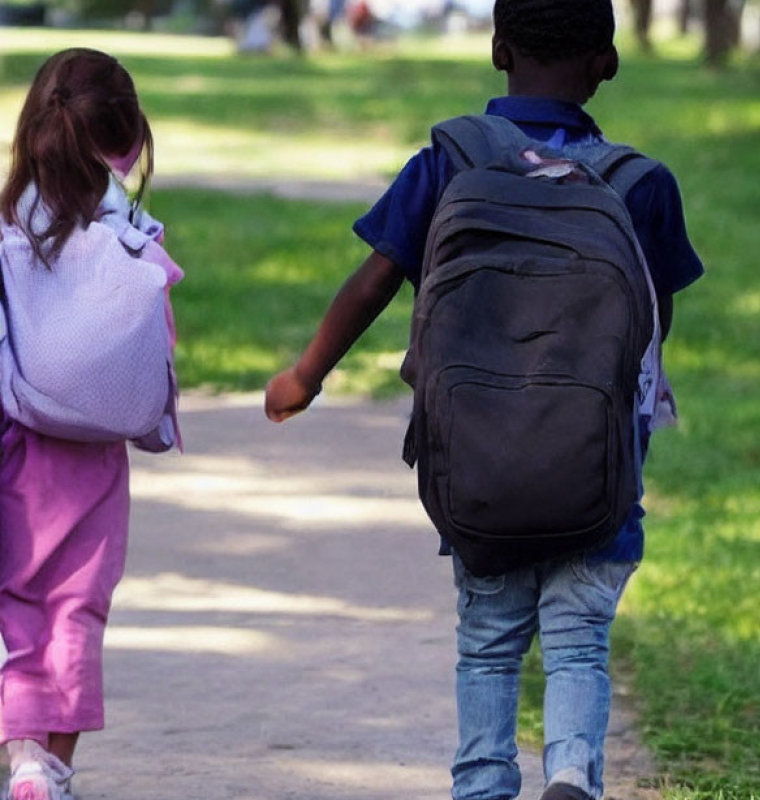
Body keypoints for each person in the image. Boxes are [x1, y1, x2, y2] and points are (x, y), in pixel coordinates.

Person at [264, 1, 703, 798]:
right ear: (606, 63)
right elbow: (649, 330)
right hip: (595, 475)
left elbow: (375, 279)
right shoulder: (643, 186)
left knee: (489, 644)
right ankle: (570, 770)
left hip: (479, 470)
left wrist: (307, 375)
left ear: (498, 49)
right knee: (577, 644)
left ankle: (482, 784)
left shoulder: (450, 160)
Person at [0, 48, 182, 800]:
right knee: (77, 604)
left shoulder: (9, 222)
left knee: (14, 603)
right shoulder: (128, 231)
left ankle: (21, 756)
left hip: (13, 444)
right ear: (126, 139)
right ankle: (55, 766)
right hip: (93, 458)